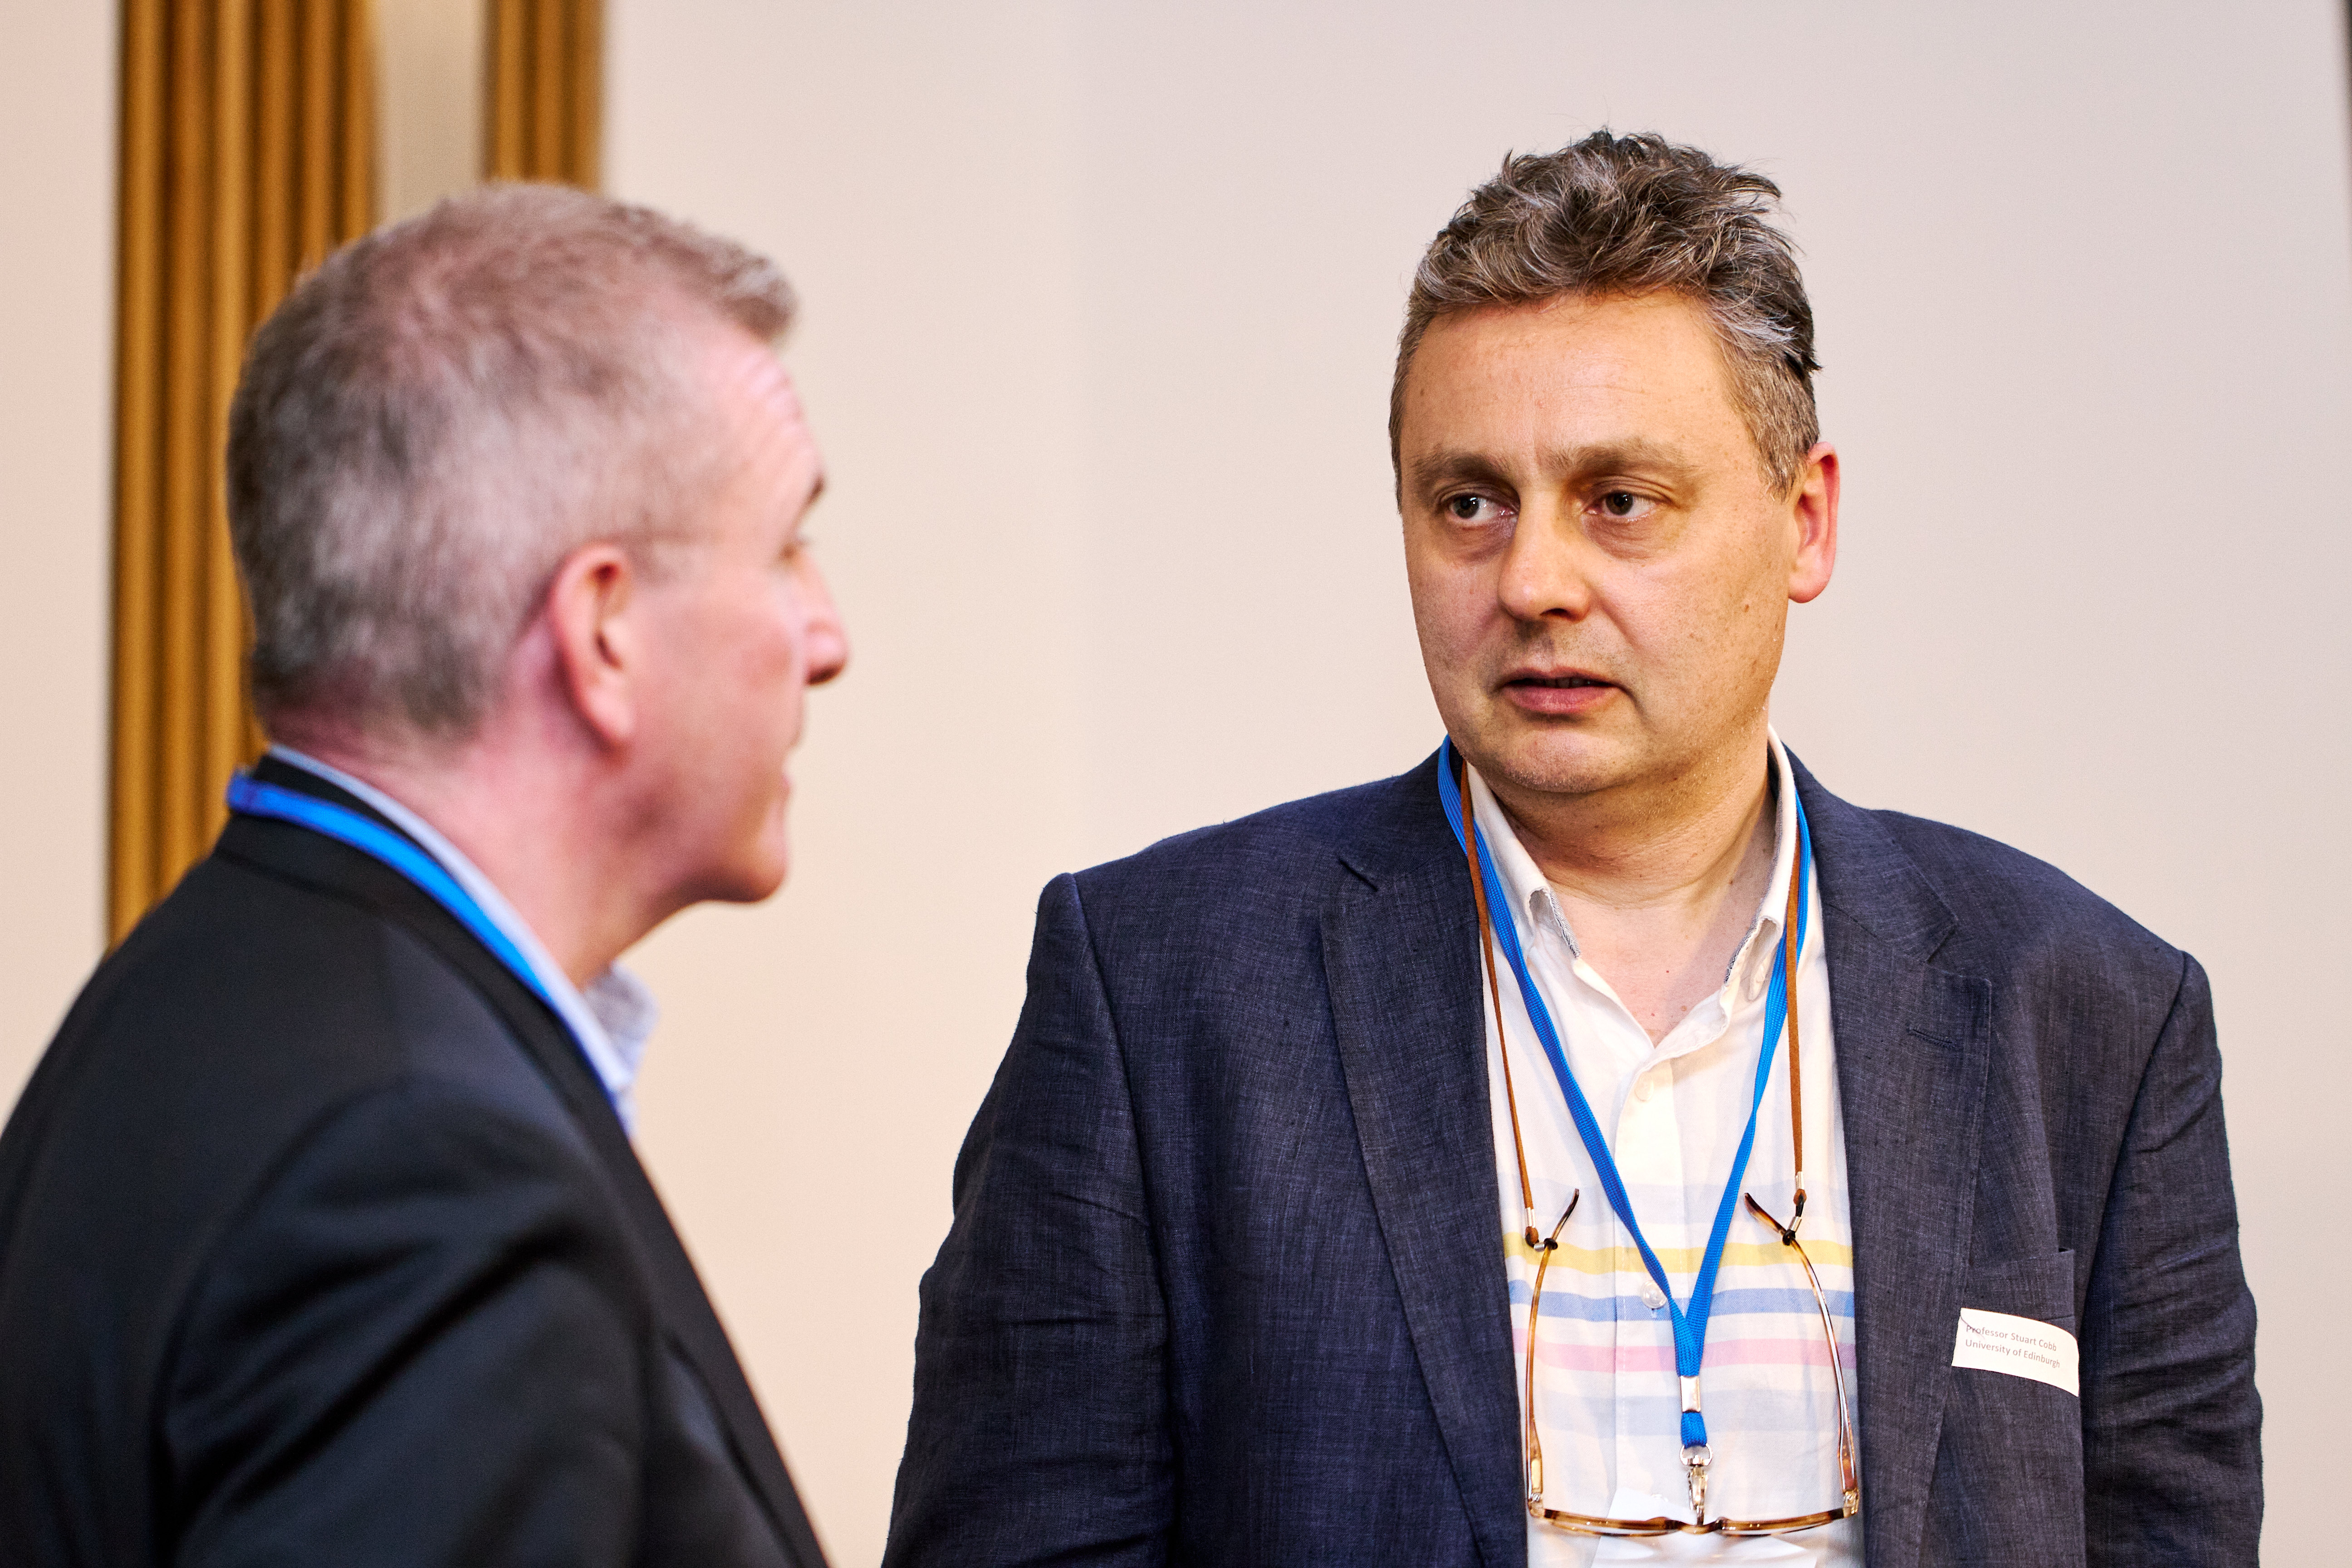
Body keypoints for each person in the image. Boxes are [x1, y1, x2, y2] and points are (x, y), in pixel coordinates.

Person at [884, 132, 2259, 1567]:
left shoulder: (2092, 1012)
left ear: (1804, 521)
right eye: (1468, 503)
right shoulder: (1159, 989)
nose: (1535, 581)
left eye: (1620, 501)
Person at [0, 186, 846, 1565]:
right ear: (604, 632)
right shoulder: (425, 1177)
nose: (827, 636)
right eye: (790, 546)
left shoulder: (215, 987)